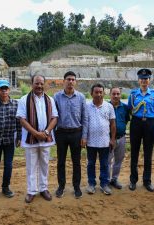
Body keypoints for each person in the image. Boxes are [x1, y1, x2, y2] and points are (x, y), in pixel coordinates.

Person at [16, 74, 58, 203]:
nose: (39, 86)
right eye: (36, 83)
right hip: (30, 138)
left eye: (41, 83)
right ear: (32, 84)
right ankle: (31, 191)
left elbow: (54, 117)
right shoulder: (24, 99)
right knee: (31, 165)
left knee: (44, 164)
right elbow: (22, 119)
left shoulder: (50, 99)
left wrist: (46, 132)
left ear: (44, 84)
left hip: (46, 137)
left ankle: (43, 188)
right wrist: (35, 133)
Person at [53, 71, 88, 199]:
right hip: (61, 133)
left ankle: (76, 187)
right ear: (64, 81)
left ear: (76, 82)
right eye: (68, 79)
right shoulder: (56, 97)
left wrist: (84, 136)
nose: (70, 81)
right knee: (60, 161)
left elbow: (85, 118)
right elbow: (53, 117)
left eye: (73, 79)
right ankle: (61, 186)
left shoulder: (81, 97)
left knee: (76, 162)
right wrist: (53, 134)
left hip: (76, 133)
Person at [128, 68, 154, 192]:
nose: (144, 81)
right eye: (141, 79)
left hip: (149, 123)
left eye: (146, 78)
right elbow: (131, 110)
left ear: (149, 80)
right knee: (134, 153)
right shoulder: (133, 94)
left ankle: (147, 181)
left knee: (148, 153)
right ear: (138, 80)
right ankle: (133, 180)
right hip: (136, 123)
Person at [86, 83, 116, 195]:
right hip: (90, 142)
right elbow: (84, 123)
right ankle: (91, 184)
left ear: (103, 93)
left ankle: (104, 184)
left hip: (105, 142)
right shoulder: (87, 106)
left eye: (100, 92)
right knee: (91, 164)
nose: (98, 94)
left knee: (104, 164)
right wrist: (84, 138)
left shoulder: (109, 106)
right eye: (96, 92)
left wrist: (112, 139)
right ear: (91, 93)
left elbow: (113, 124)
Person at [108, 87, 130, 189]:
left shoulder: (125, 107)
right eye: (114, 94)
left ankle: (114, 179)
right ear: (110, 95)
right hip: (108, 139)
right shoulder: (106, 106)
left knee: (118, 160)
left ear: (120, 95)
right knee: (107, 160)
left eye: (118, 94)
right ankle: (106, 180)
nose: (116, 96)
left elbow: (126, 120)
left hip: (121, 138)